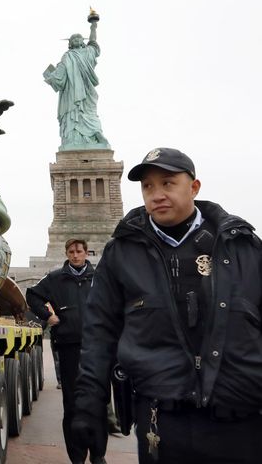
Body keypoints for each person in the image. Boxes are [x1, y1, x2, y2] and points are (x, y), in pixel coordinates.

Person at [73, 147, 262, 463]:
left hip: (240, 420)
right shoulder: (122, 254)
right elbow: (99, 334)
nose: (156, 194)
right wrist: (88, 402)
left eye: (167, 183)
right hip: (163, 422)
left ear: (194, 187)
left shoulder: (244, 248)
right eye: (148, 186)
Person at [27, 239, 107, 464]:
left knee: (98, 401)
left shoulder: (99, 278)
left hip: (96, 349)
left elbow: (116, 302)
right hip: (69, 348)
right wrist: (48, 315)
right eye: (71, 252)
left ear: (86, 253)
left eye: (79, 251)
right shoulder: (55, 278)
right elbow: (32, 295)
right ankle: (77, 457)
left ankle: (98, 454)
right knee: (73, 404)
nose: (75, 255)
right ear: (67, 253)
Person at [43, 17, 109, 151]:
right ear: (70, 44)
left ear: (82, 42)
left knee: (89, 113)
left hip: (87, 90)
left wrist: (93, 27)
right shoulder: (67, 56)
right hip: (71, 91)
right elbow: (59, 75)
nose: (77, 40)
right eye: (73, 39)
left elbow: (93, 42)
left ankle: (96, 134)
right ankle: (73, 139)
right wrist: (51, 77)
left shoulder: (88, 52)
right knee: (75, 114)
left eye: (79, 38)